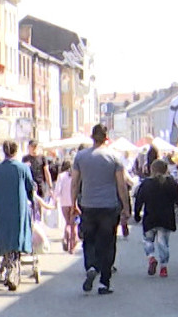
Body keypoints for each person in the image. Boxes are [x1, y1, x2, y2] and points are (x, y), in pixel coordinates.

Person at [71, 124, 131, 295]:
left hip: (88, 205)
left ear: (92, 137)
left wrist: (74, 202)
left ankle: (91, 265)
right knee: (107, 243)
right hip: (109, 206)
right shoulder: (115, 157)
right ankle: (104, 282)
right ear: (106, 138)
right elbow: (121, 185)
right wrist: (126, 208)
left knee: (89, 239)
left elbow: (75, 182)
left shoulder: (81, 157)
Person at [133, 158, 178, 278]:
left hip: (150, 218)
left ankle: (151, 257)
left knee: (148, 241)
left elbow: (139, 201)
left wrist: (136, 215)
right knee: (163, 243)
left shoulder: (146, 184)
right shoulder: (172, 184)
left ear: (151, 169)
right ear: (166, 170)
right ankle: (163, 267)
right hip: (166, 218)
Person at [0, 141, 34, 262]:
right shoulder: (23, 168)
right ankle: (15, 257)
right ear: (16, 151)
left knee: (4, 233)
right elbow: (30, 187)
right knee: (18, 234)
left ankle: (5, 257)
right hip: (19, 208)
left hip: (1, 208)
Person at [55, 160, 78, 254]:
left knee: (67, 222)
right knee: (74, 224)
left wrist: (55, 199)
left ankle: (65, 239)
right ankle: (72, 246)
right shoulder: (76, 175)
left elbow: (58, 189)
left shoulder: (61, 176)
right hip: (74, 201)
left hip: (64, 202)